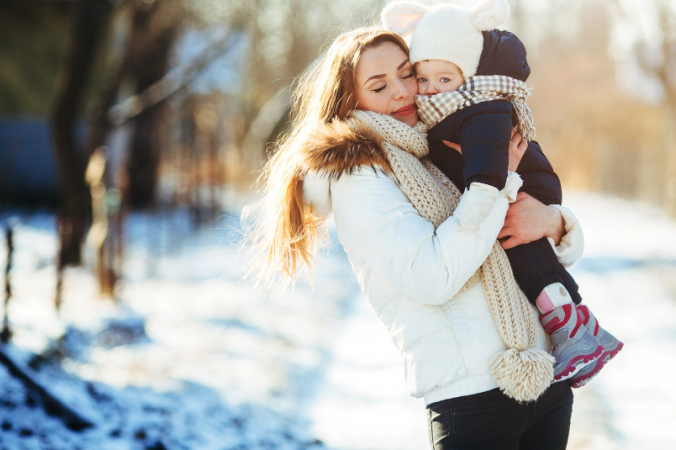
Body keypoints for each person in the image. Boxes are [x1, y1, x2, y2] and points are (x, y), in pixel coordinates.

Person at [243, 26, 584, 449]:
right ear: (351, 99)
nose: (403, 92)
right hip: (473, 397)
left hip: (544, 376)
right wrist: (497, 184)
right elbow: (433, 276)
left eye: (408, 74)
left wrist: (556, 223)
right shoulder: (360, 176)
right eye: (379, 85)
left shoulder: (443, 142)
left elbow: (527, 242)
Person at [382, 0, 622, 386]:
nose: (426, 91)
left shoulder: (475, 107)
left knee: (522, 248)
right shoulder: (441, 114)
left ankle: (572, 329)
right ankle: (580, 327)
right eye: (423, 79)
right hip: (469, 362)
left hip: (523, 190)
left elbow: (491, 169)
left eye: (444, 80)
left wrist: (501, 195)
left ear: (466, 74)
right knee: (519, 242)